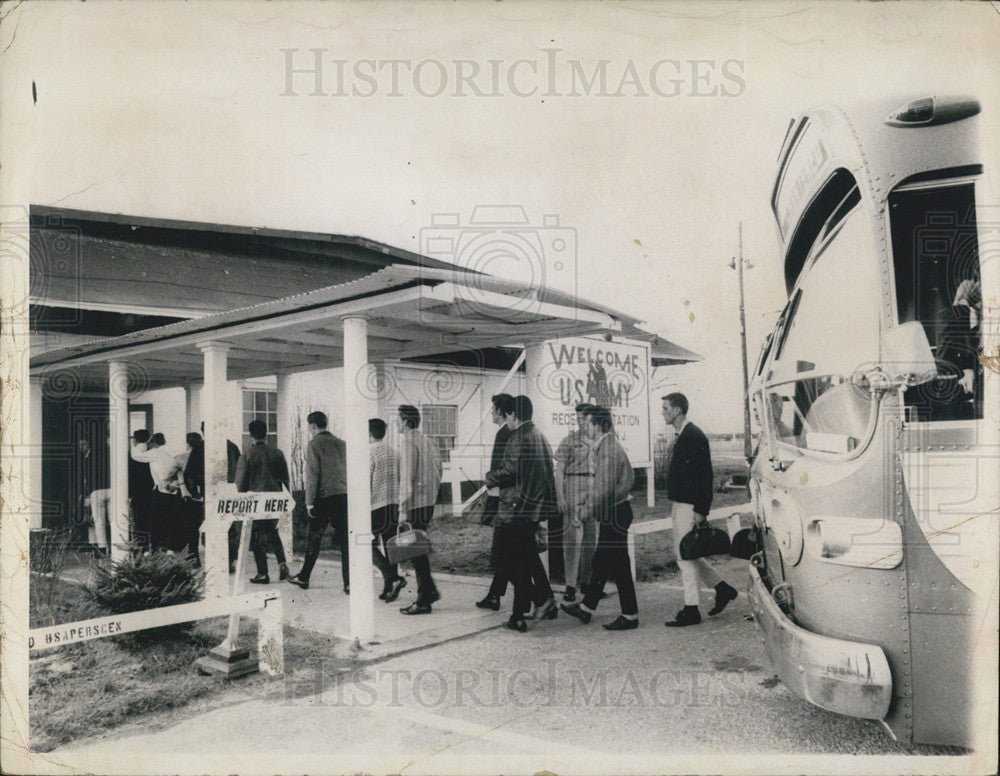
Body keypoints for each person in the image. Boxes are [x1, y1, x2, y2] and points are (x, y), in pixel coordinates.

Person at [661, 393, 738, 627]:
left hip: (689, 505)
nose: (663, 412)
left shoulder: (693, 436)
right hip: (681, 503)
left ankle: (691, 609)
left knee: (685, 557)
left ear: (676, 411)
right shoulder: (683, 435)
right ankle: (722, 589)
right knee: (687, 552)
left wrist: (701, 510)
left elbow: (705, 476)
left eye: (665, 409)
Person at [560, 405, 639, 631]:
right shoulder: (607, 446)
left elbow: (602, 489)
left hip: (615, 512)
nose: (586, 427)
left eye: (589, 423)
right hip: (613, 511)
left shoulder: (608, 449)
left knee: (619, 566)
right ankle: (586, 608)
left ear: (598, 425)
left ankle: (630, 616)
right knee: (603, 562)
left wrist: (584, 512)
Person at [484, 395, 558, 632]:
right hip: (533, 508)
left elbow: (510, 469)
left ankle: (532, 606)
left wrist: (489, 478)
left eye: (506, 415)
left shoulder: (517, 436)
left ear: (513, 415)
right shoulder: (539, 435)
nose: (506, 419)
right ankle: (534, 605)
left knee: (506, 560)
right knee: (525, 559)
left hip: (515, 507)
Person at [288, 411, 348, 592]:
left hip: (323, 498)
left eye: (309, 427)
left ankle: (304, 577)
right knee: (346, 541)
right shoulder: (342, 444)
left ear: (313, 426)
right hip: (343, 496)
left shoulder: (314, 444)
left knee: (314, 538)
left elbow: (312, 475)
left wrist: (309, 502)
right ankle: (349, 583)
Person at [397, 404, 443, 615]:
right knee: (419, 550)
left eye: (398, 419)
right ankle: (429, 591)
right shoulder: (428, 441)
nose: (396, 423)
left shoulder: (408, 443)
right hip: (429, 502)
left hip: (414, 503)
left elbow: (407, 479)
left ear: (406, 421)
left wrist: (401, 508)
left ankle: (424, 600)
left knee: (416, 552)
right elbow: (439, 470)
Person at [234, 420, 290, 584]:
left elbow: (240, 483)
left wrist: (241, 497)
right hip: (274, 499)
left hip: (255, 501)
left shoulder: (247, 455)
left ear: (250, 434)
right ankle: (282, 563)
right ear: (265, 434)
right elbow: (285, 479)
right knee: (273, 532)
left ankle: (263, 573)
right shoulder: (278, 453)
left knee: (256, 536)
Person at [475, 393, 515, 611]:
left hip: (502, 498)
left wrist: (491, 485)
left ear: (500, 411)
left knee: (504, 550)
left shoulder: (504, 434)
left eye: (493, 409)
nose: (491, 412)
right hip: (506, 497)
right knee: (507, 550)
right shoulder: (509, 432)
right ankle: (494, 595)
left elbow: (501, 468)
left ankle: (542, 597)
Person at [554, 403, 597, 603]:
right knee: (572, 541)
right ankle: (570, 585)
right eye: (578, 418)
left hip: (592, 490)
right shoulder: (569, 440)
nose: (581, 422)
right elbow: (559, 469)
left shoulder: (598, 440)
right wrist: (560, 496)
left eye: (584, 418)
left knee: (591, 539)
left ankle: (587, 583)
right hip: (573, 487)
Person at [369, 418, 405, 602]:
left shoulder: (369, 452)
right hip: (393, 504)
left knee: (368, 546)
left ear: (369, 434)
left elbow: (366, 481)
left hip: (374, 505)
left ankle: (391, 578)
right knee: (391, 545)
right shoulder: (395, 453)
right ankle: (389, 586)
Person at [130, 432, 183, 551]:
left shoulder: (155, 452)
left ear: (153, 443)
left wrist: (140, 444)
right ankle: (170, 548)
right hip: (174, 489)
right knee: (171, 520)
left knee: (156, 521)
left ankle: (155, 548)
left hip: (161, 489)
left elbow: (136, 456)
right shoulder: (172, 451)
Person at [177, 432, 205, 566]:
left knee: (191, 528)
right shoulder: (206, 454)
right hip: (205, 496)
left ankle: (194, 557)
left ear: (188, 443)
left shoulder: (182, 457)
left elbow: (168, 473)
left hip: (190, 496)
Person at [128, 429, 155, 551]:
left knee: (138, 519)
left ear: (135, 439)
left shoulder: (133, 453)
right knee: (150, 517)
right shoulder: (152, 451)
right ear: (148, 439)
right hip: (151, 489)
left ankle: (141, 546)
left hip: (137, 491)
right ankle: (152, 546)